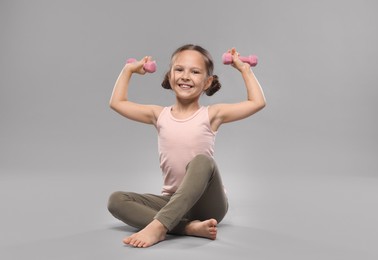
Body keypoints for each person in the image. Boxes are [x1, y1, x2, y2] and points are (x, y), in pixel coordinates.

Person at [107, 44, 266, 248]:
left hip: (208, 204)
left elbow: (257, 102)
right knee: (116, 200)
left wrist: (245, 70)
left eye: (195, 72)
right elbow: (117, 102)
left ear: (207, 82)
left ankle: (159, 227)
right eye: (179, 69)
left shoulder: (211, 114)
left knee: (202, 161)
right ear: (170, 75)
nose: (185, 76)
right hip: (172, 201)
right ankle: (188, 227)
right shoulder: (159, 115)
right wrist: (128, 70)